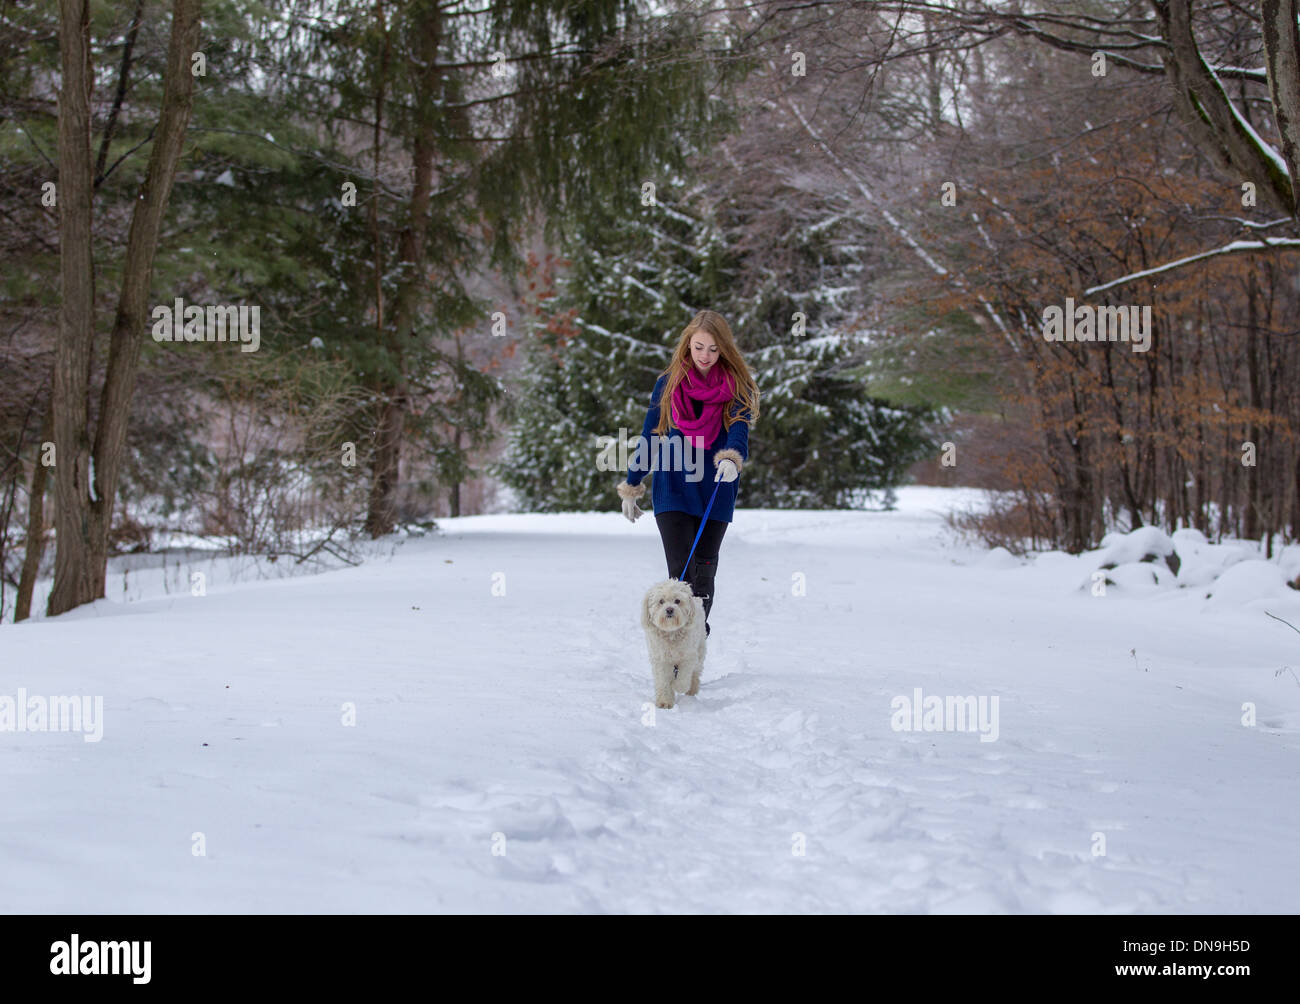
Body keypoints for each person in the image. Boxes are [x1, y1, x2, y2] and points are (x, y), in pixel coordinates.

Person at [616, 309, 760, 636]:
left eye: (712, 348)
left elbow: (739, 428)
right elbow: (651, 434)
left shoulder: (737, 385)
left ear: (723, 348)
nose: (705, 356)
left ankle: (694, 640)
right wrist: (633, 483)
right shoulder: (668, 384)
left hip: (717, 484)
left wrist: (731, 457)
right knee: (681, 575)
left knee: (704, 574)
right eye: (698, 347)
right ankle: (677, 652)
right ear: (687, 345)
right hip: (674, 484)